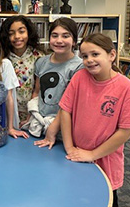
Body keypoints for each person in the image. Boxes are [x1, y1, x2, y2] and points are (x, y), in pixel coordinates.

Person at [60, 33, 130, 207]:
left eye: (95, 54)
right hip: (76, 156)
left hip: (105, 162)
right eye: (84, 56)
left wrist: (92, 154)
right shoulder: (79, 77)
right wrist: (69, 147)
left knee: (103, 199)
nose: (89, 60)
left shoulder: (125, 87)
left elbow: (125, 131)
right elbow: (65, 111)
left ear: (111, 55)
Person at [29, 18, 83, 149]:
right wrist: (33, 116)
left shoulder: (78, 67)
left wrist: (52, 130)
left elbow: (69, 105)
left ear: (74, 41)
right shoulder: (41, 62)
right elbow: (37, 92)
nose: (59, 40)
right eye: (54, 35)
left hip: (63, 129)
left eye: (66, 36)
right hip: (40, 125)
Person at [0, 15, 44, 125]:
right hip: (6, 113)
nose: (17, 36)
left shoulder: (39, 57)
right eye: (11, 33)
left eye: (21, 31)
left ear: (29, 33)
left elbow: (38, 91)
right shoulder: (2, 59)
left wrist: (31, 115)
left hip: (33, 114)